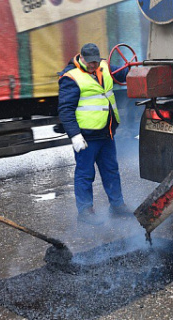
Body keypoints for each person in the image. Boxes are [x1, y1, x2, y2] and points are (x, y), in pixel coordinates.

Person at [58, 43, 135, 225]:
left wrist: (138, 69)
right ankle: (85, 212)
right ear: (82, 58)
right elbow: (65, 109)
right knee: (85, 174)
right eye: (90, 62)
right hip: (86, 137)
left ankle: (117, 206)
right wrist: (75, 135)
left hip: (106, 133)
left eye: (96, 62)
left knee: (111, 171)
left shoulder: (104, 66)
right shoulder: (71, 77)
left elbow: (124, 72)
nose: (94, 66)